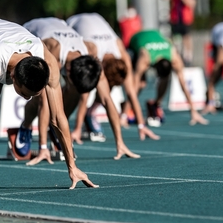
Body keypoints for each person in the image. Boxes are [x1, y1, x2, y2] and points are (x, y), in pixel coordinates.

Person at [0, 16, 98, 197]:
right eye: (25, 94)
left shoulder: (48, 62)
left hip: (0, 34)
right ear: (13, 77)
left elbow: (58, 118)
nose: (27, 98)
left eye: (33, 95)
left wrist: (72, 166)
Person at [15, 17, 140, 166]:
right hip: (30, 31)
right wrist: (43, 147)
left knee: (74, 92)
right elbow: (44, 102)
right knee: (39, 94)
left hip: (59, 26)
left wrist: (120, 142)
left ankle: (55, 130)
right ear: (67, 71)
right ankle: (26, 126)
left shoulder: (90, 56)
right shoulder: (52, 53)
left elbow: (107, 99)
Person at [67, 13, 159, 141]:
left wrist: (141, 125)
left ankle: (90, 113)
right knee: (77, 86)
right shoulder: (91, 50)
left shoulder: (123, 56)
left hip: (97, 18)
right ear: (102, 67)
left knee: (104, 88)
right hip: (72, 23)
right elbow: (84, 96)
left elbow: (131, 93)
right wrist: (77, 129)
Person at [129, 29, 208, 126]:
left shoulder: (174, 57)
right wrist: (124, 116)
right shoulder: (145, 57)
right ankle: (128, 109)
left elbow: (184, 84)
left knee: (165, 78)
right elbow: (134, 83)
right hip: (135, 40)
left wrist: (193, 111)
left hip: (154, 35)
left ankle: (155, 104)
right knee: (141, 84)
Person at [157, 0, 196, 66]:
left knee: (187, 37)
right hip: (176, 20)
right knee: (176, 38)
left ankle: (188, 56)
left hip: (185, 21)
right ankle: (177, 54)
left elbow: (191, 3)